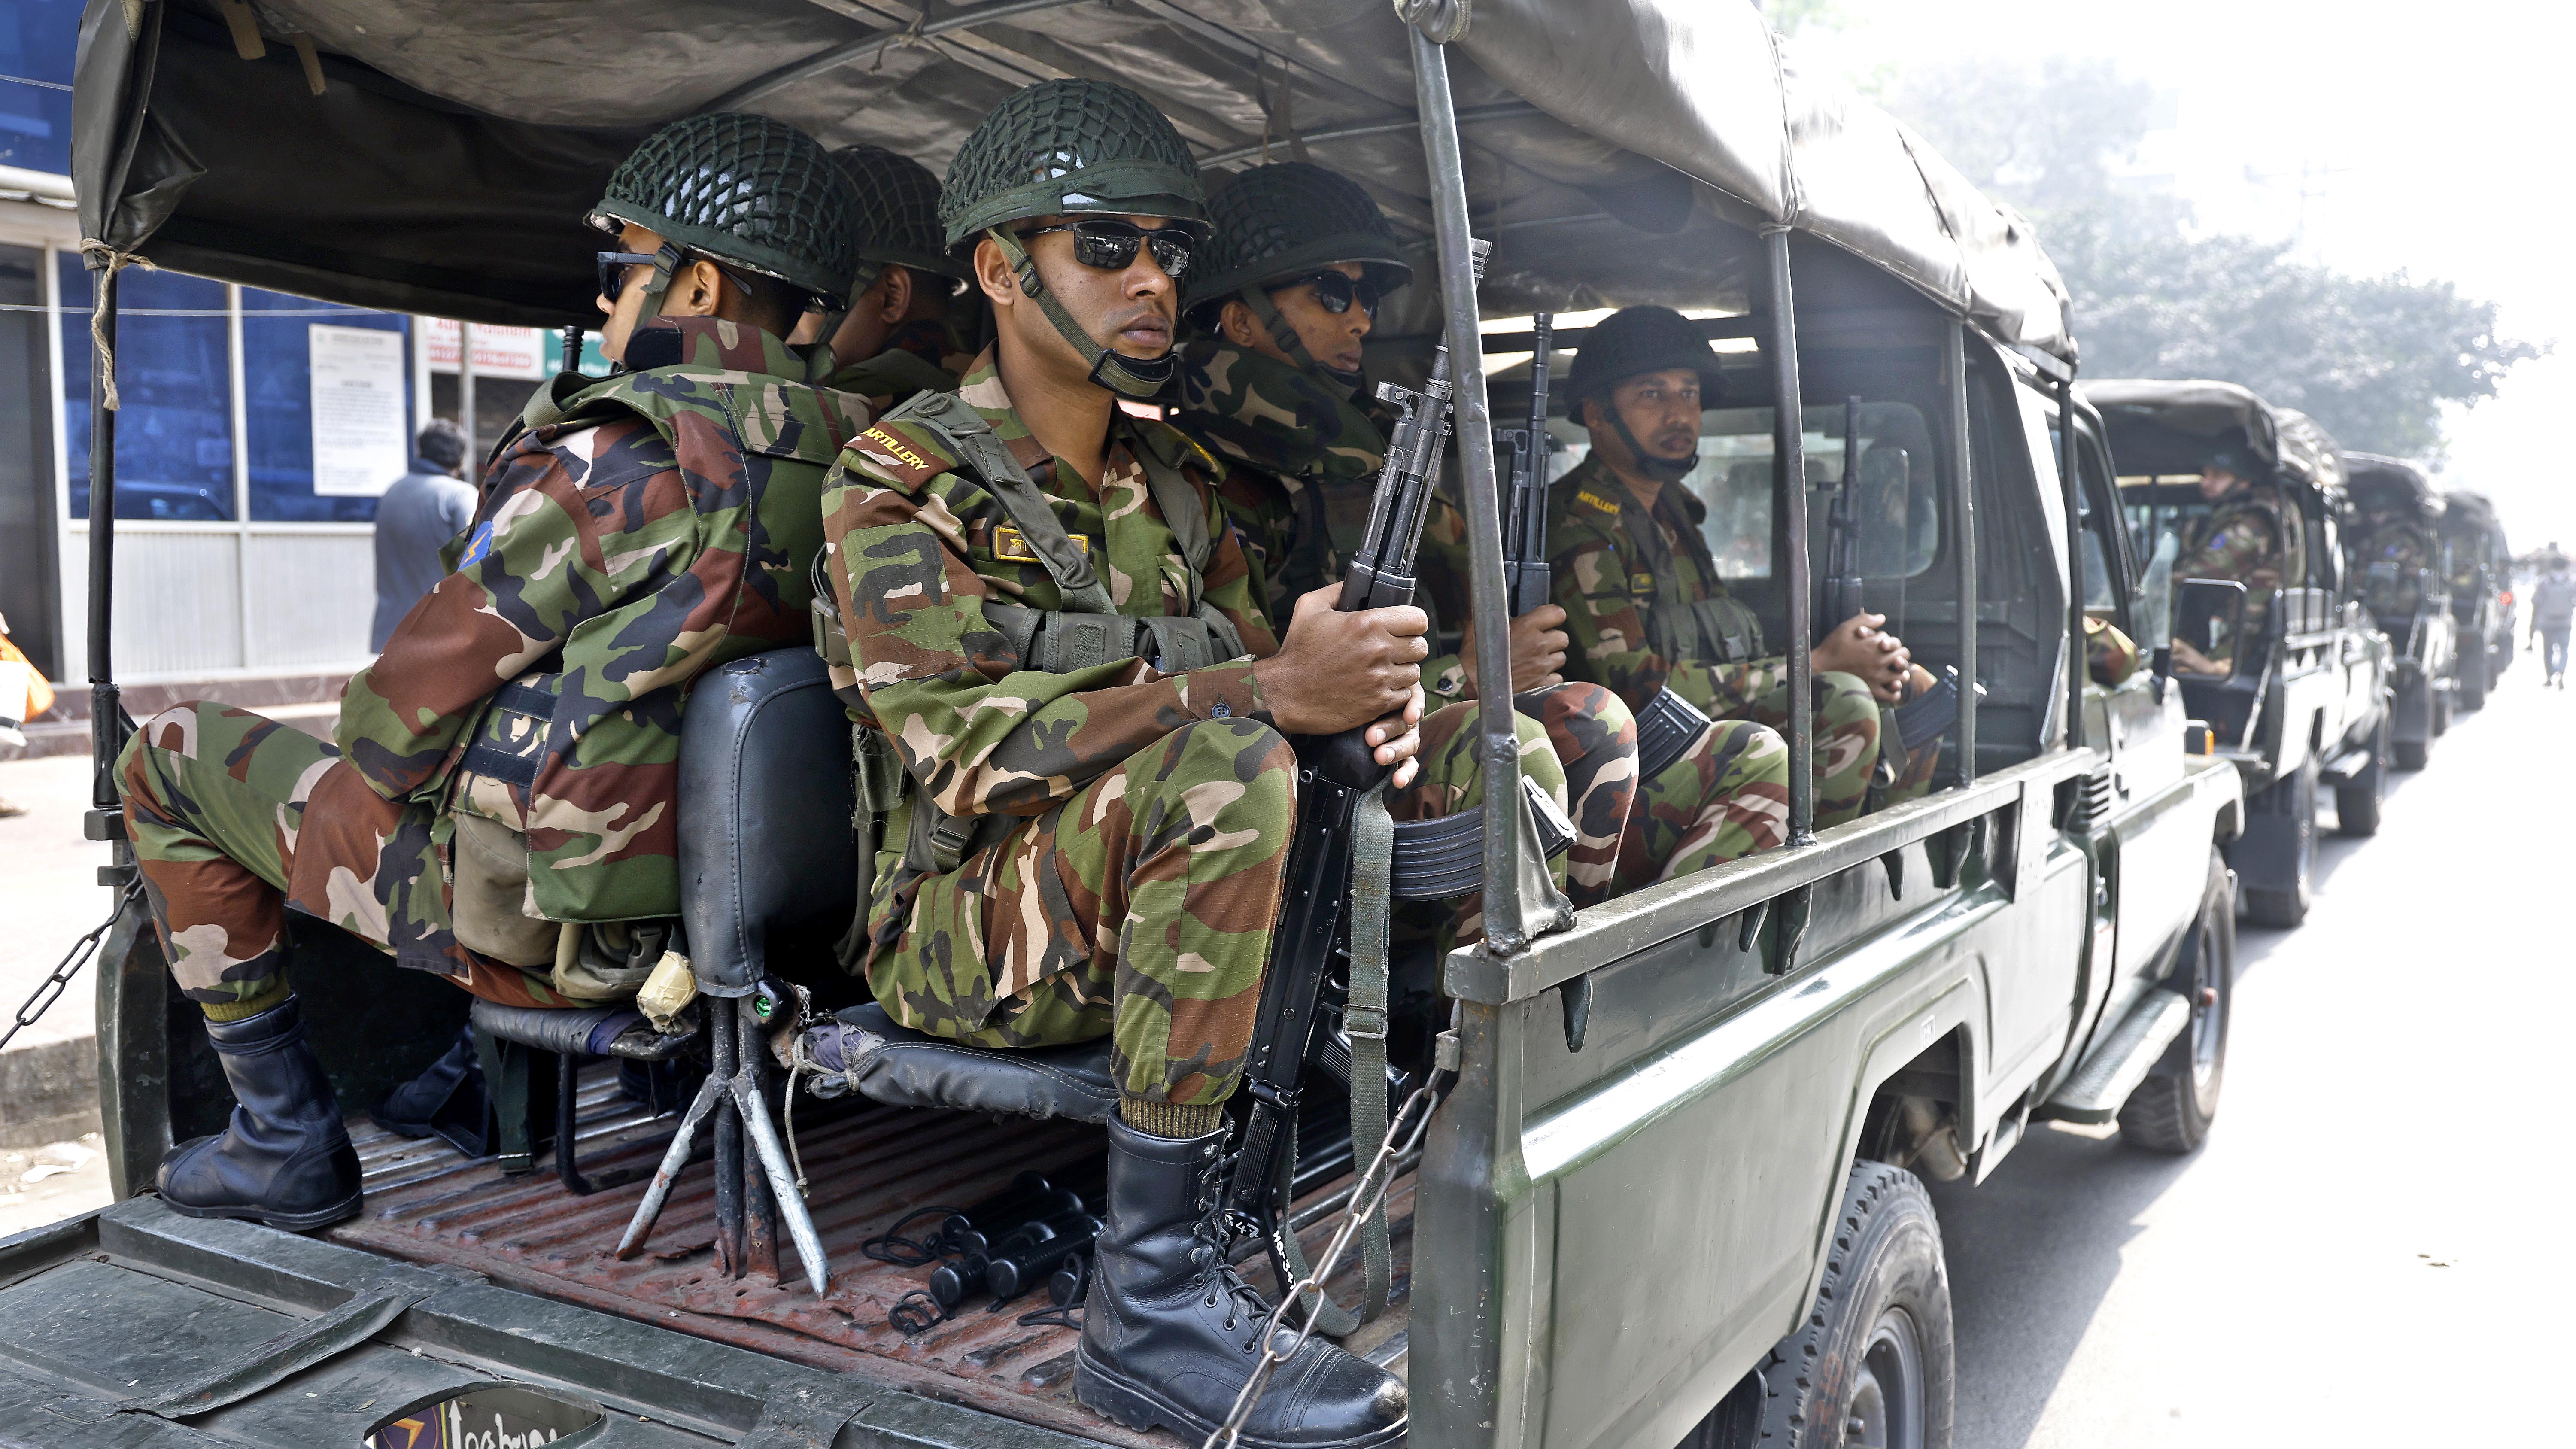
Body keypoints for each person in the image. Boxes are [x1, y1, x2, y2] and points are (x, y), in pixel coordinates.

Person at [113, 113, 870, 1233]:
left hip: (579, 943)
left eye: (622, 266)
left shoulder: (627, 455)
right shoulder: (870, 449)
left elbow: (390, 723)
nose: (606, 298)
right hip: (795, 938)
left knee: (173, 753)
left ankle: (282, 1139)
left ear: (698, 283)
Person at [811, 82, 1426, 1447]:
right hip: (959, 931)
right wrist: (1260, 690)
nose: (1151, 280)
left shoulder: (1181, 495)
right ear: (996, 268)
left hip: (1120, 908)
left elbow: (1274, 701)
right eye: (1105, 248)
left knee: (1372, 760)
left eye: (1169, 251)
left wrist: (1353, 704)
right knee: (1222, 769)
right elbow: (964, 755)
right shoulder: (902, 479)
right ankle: (1147, 1305)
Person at [1175, 162, 1788, 904]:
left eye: (1369, 296)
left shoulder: (1362, 463)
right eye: (1333, 294)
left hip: (1404, 753)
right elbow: (1264, 701)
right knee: (1573, 731)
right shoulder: (1196, 478)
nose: (1362, 319)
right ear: (1240, 319)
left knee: (1727, 748)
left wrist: (1493, 663)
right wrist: (1471, 677)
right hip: (1296, 795)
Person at [1547, 305, 1937, 830]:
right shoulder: (1579, 525)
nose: (1679, 414)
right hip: (1626, 764)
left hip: (1698, 732)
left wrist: (1855, 655)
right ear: (1596, 413)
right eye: (1652, 393)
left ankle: (1884, 861)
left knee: (1912, 685)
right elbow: (1638, 688)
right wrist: (1816, 664)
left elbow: (1716, 648)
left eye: (1689, 393)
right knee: (1841, 700)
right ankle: (1805, 889)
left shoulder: (1674, 514)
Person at [803, 143, 977, 411]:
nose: (789, 325)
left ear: (892, 296)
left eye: (812, 296)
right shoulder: (989, 388)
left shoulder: (840, 409)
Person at [2168, 448, 2288, 678]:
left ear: (2244, 481)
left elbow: (2203, 573)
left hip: (2241, 643)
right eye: (2205, 474)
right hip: (2235, 636)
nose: (2206, 482)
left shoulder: (2252, 523)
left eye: (2217, 475)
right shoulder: (2235, 515)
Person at [368, 419, 476, 651]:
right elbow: (477, 561)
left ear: (421, 451)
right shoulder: (460, 496)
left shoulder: (392, 492)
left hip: (392, 633)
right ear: (461, 459)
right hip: (439, 635)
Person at [2532, 551, 2573, 687]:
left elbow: (2536, 600)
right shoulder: (2572, 582)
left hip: (2547, 621)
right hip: (2565, 621)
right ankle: (2561, 673)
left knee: (2548, 650)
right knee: (2564, 649)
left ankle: (2549, 676)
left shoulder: (2544, 581)